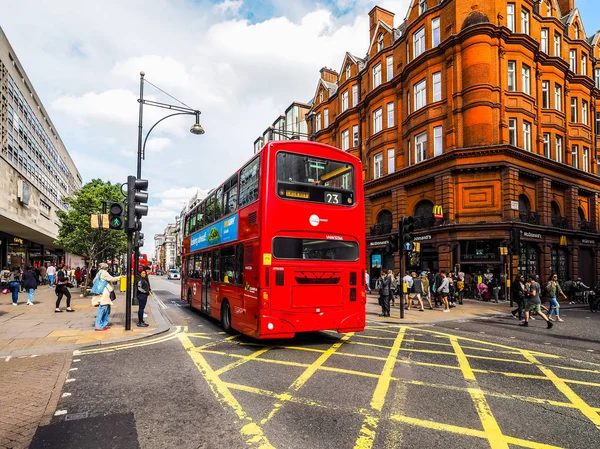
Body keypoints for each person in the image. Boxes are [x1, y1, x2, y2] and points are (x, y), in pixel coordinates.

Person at [92, 263, 120, 330]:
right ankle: (99, 326)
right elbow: (112, 279)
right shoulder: (104, 272)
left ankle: (104, 324)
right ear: (106, 268)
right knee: (102, 309)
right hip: (104, 293)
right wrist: (120, 277)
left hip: (102, 293)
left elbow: (94, 281)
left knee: (106, 309)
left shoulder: (99, 273)